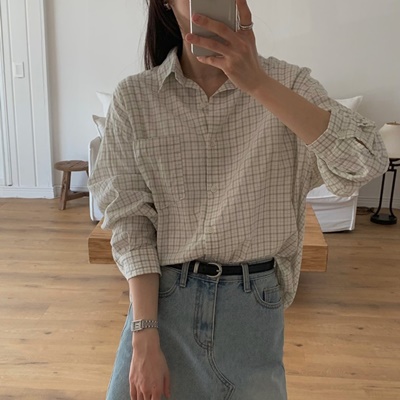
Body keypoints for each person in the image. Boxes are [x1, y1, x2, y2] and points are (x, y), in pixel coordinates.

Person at [87, 0, 389, 399]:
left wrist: (258, 83)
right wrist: (143, 335)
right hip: (163, 305)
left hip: (252, 311)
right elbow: (131, 222)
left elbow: (367, 160)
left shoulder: (288, 84)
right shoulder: (136, 98)